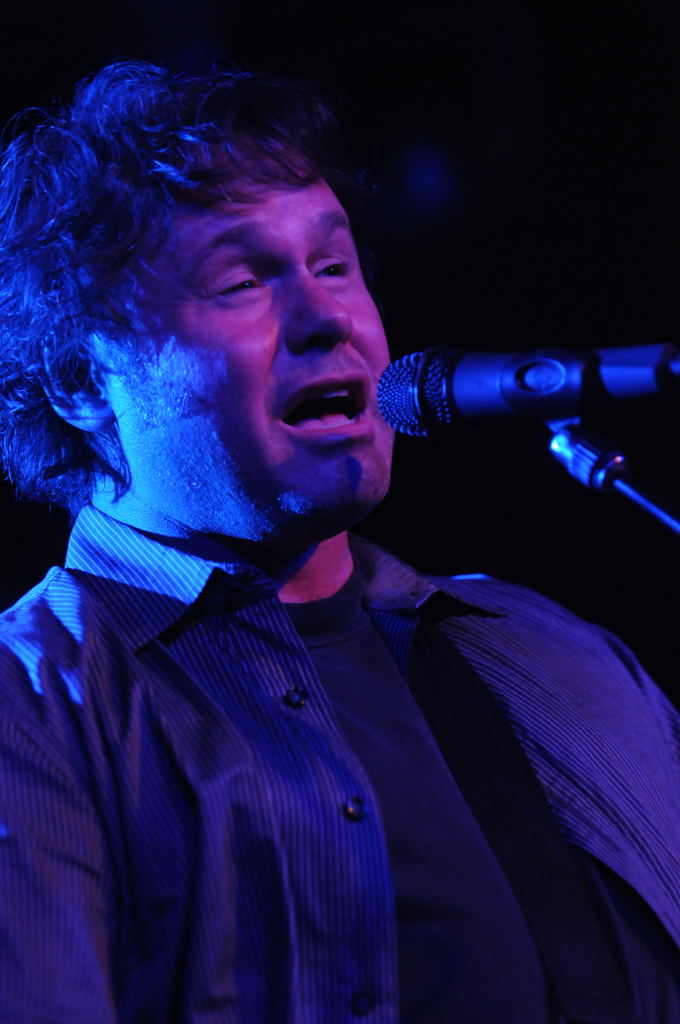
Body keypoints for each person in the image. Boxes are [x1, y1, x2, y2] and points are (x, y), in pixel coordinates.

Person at [0, 60, 678, 1024]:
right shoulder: (34, 709)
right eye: (240, 281)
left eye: (334, 265)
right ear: (79, 377)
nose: (328, 319)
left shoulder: (560, 652)